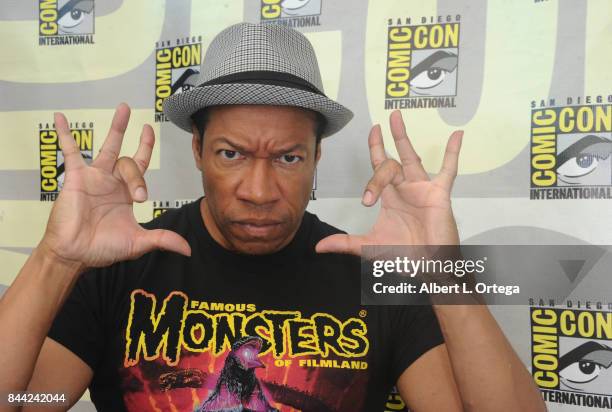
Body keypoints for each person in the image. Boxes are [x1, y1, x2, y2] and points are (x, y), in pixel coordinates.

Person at [0, 23, 545, 412]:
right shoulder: (121, 266)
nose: (259, 192)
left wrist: (441, 273)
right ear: (197, 152)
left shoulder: (374, 274)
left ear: (316, 158)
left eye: (288, 158)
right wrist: (56, 259)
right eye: (231, 154)